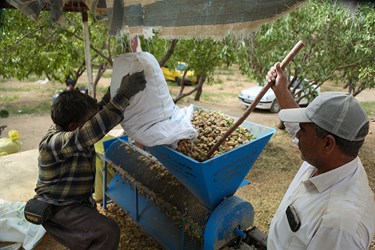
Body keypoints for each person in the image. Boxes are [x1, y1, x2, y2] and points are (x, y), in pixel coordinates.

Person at [266, 62, 375, 249]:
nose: (297, 134)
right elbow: (300, 130)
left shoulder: (341, 227)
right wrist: (281, 91)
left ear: (328, 143)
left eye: (303, 130)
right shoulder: (334, 159)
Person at [33, 71, 146, 250]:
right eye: (88, 121)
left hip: (79, 202)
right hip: (58, 208)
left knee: (91, 237)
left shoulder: (74, 125)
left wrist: (115, 90)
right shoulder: (54, 143)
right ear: (73, 126)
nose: (92, 120)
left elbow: (98, 113)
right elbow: (92, 129)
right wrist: (123, 96)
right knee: (108, 231)